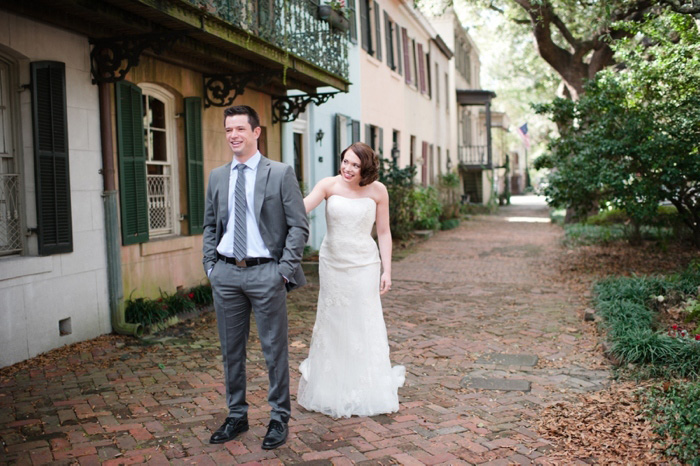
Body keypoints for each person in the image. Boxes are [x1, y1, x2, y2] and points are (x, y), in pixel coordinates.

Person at [202, 105, 309, 449]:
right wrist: (210, 266)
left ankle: (279, 418)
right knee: (231, 351)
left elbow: (298, 225)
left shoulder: (279, 173)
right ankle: (237, 415)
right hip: (226, 273)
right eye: (229, 130)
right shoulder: (218, 176)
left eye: (240, 129)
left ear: (256, 132)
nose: (233, 135)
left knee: (273, 350)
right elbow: (209, 225)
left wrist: (283, 271)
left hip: (266, 273)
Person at [297, 142, 405, 418]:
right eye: (345, 161)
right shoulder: (328, 185)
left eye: (355, 165)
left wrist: (387, 271)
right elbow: (300, 209)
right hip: (332, 263)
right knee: (333, 318)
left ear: (365, 168)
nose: (347, 168)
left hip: (364, 264)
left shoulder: (377, 191)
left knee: (361, 319)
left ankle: (365, 383)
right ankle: (331, 382)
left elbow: (383, 232)